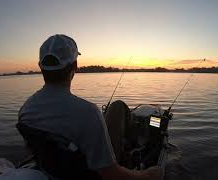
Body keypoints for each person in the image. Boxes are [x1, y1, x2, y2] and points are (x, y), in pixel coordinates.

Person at [18, 34, 161, 180]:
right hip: (91, 175)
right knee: (118, 107)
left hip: (53, 171)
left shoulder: (26, 110)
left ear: (40, 66)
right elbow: (110, 174)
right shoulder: (88, 113)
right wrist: (146, 175)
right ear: (75, 66)